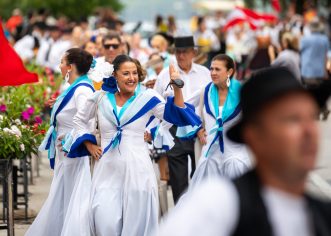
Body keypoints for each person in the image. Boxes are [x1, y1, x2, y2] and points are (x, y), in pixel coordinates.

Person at [158, 67, 331, 236]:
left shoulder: (322, 215)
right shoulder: (219, 206)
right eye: (293, 120)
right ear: (255, 135)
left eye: (312, 117)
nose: (309, 131)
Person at [65, 55, 201, 236]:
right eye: (126, 73)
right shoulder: (100, 98)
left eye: (135, 73)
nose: (132, 78)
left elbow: (175, 115)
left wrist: (177, 87)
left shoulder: (148, 97)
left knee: (136, 226)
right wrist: (89, 145)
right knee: (104, 220)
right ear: (115, 76)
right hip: (107, 171)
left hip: (138, 171)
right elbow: (79, 120)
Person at [26, 48, 95, 236]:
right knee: (64, 194)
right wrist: (58, 103)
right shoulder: (75, 87)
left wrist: (71, 138)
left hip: (72, 152)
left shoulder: (82, 89)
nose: (59, 65)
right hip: (65, 153)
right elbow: (73, 110)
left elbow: (87, 119)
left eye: (62, 62)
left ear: (70, 67)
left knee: (73, 195)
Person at [154, 35, 211, 203]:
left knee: (201, 173)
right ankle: (181, 212)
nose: (180, 56)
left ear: (193, 52)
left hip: (199, 127)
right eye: (177, 52)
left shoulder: (204, 73)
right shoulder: (165, 75)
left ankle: (201, 210)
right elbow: (157, 102)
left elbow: (209, 100)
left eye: (184, 52)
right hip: (175, 129)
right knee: (178, 178)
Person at [183, 54, 250, 193]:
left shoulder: (243, 92)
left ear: (229, 72)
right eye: (211, 69)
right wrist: (198, 127)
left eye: (217, 69)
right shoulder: (205, 91)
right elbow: (183, 108)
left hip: (236, 156)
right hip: (210, 156)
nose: (213, 73)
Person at [300, 18, 329, 86]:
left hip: (307, 72)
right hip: (320, 72)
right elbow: (326, 56)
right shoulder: (325, 39)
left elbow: (300, 54)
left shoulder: (305, 39)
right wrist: (325, 71)